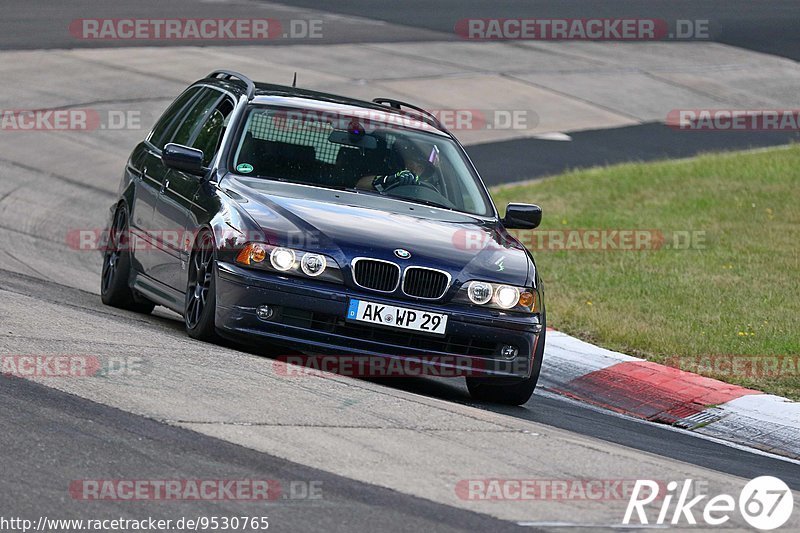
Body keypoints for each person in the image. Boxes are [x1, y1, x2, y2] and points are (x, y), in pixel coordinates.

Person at [355, 138, 433, 192]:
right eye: (411, 163)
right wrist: (389, 180)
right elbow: (360, 185)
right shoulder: (386, 174)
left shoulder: (427, 189)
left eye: (421, 168)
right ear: (401, 161)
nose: (415, 170)